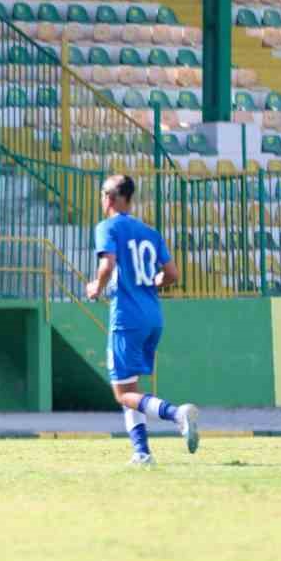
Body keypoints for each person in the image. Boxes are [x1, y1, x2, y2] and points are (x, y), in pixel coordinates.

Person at [85, 173, 200, 466]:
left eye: (102, 194)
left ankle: (177, 414)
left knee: (122, 393)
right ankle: (142, 452)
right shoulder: (150, 232)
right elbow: (172, 275)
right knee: (131, 388)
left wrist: (95, 288)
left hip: (126, 316)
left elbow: (107, 264)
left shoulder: (106, 227)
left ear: (109, 198)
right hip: (153, 316)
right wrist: (149, 282)